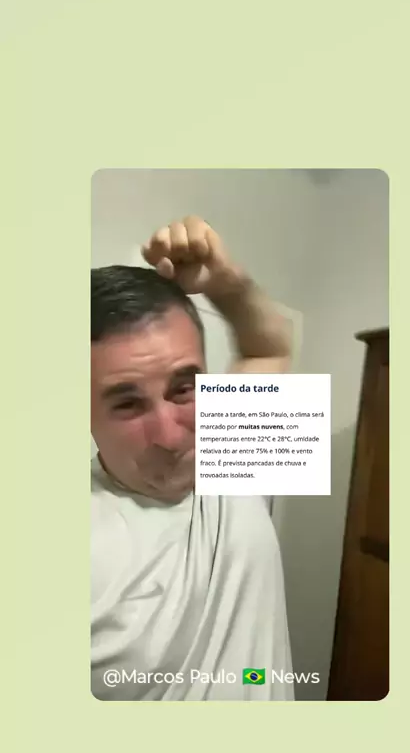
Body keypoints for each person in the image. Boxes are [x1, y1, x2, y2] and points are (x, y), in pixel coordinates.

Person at [91, 215, 293, 700]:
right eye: (127, 404)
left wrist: (228, 284)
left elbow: (267, 349)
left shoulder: (230, 452)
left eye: (185, 388)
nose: (171, 436)